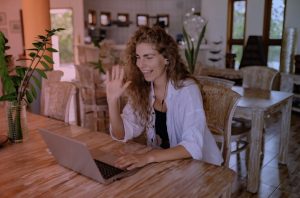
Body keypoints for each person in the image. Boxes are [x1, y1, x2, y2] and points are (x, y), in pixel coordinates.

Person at [106, 26, 222, 170]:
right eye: (138, 57)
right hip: (166, 167)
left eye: (148, 57)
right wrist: (112, 102)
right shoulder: (143, 89)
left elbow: (192, 147)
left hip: (203, 169)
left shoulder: (187, 90)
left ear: (167, 58)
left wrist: (148, 157)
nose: (141, 65)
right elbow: (121, 133)